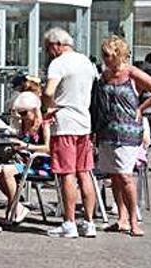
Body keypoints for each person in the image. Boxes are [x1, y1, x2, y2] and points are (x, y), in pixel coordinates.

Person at [97, 35, 151, 237]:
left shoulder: (131, 72)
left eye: (109, 55)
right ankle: (121, 218)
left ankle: (134, 220)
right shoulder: (105, 74)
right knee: (115, 176)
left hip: (128, 131)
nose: (106, 59)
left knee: (126, 176)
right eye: (104, 55)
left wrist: (141, 108)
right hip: (108, 131)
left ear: (118, 54)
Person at [41, 27, 99, 239]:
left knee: (67, 174)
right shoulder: (85, 61)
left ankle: (69, 222)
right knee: (85, 172)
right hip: (84, 122)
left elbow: (48, 92)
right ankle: (90, 222)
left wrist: (50, 107)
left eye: (48, 48)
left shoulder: (58, 63)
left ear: (56, 45)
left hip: (64, 122)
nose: (48, 53)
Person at [4, 91, 51, 222]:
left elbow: (49, 148)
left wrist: (26, 146)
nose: (21, 117)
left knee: (7, 171)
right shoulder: (23, 124)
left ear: (35, 110)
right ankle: (16, 206)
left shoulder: (45, 125)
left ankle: (14, 206)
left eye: (24, 113)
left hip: (41, 165)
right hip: (25, 162)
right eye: (19, 113)